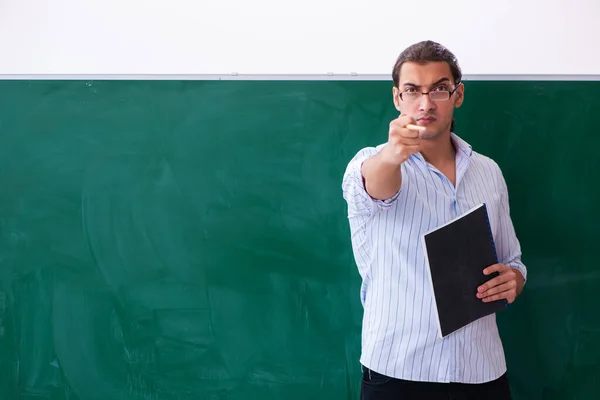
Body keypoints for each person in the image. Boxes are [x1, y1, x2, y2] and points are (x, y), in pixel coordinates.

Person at [341, 40, 527, 400]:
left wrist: (514, 280)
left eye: (439, 89)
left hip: (481, 370)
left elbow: (511, 261)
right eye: (412, 90)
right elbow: (378, 187)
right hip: (399, 373)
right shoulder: (372, 164)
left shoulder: (488, 171)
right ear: (397, 99)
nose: (425, 104)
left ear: (457, 95)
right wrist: (393, 155)